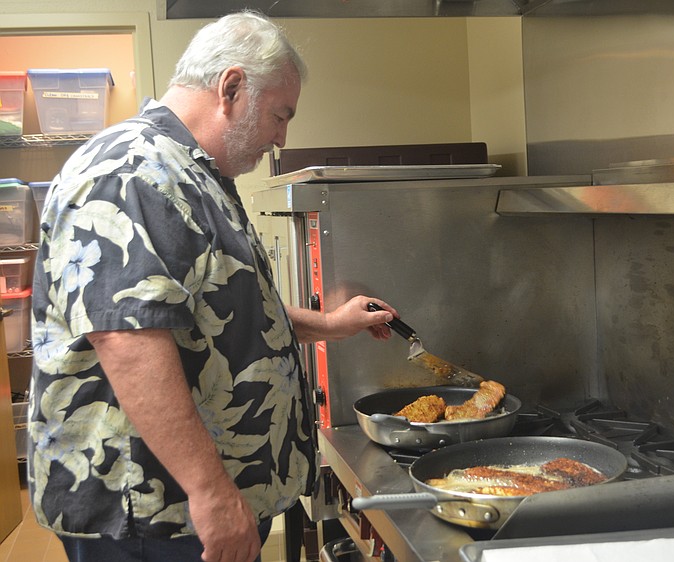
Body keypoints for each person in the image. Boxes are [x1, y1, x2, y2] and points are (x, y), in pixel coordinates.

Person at [27, 11, 398, 562]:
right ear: (230, 87)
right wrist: (210, 492)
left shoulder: (194, 173)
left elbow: (209, 309)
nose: (281, 137)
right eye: (279, 115)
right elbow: (129, 340)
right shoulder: (133, 170)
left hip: (178, 510)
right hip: (149, 512)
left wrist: (329, 325)